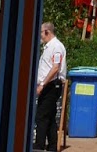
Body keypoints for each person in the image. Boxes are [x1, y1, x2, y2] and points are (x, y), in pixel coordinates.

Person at [34, 21, 67, 151]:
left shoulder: (56, 47)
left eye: (41, 33)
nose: (41, 36)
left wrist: (42, 84)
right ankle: (52, 146)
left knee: (41, 116)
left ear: (47, 32)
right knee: (50, 117)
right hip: (48, 85)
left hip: (51, 86)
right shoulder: (48, 47)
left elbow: (55, 68)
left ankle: (39, 146)